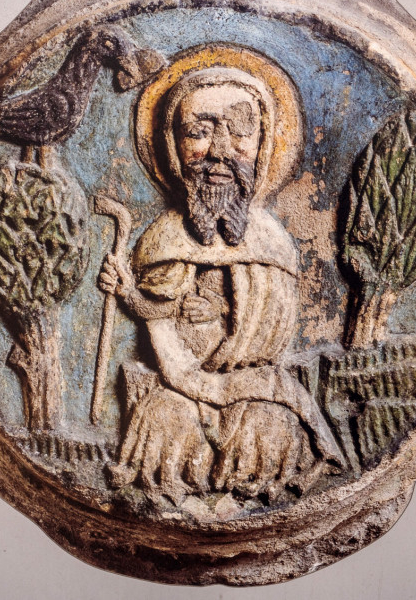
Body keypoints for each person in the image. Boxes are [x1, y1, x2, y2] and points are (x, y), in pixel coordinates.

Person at [98, 66, 342, 505]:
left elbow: (274, 323)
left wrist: (226, 312)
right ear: (173, 147)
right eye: (199, 132)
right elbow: (158, 315)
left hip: (254, 382)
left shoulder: (272, 242)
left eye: (240, 131)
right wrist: (128, 292)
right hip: (180, 380)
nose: (220, 151)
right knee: (166, 419)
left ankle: (250, 498)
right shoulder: (164, 238)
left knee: (270, 425)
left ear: (264, 144)